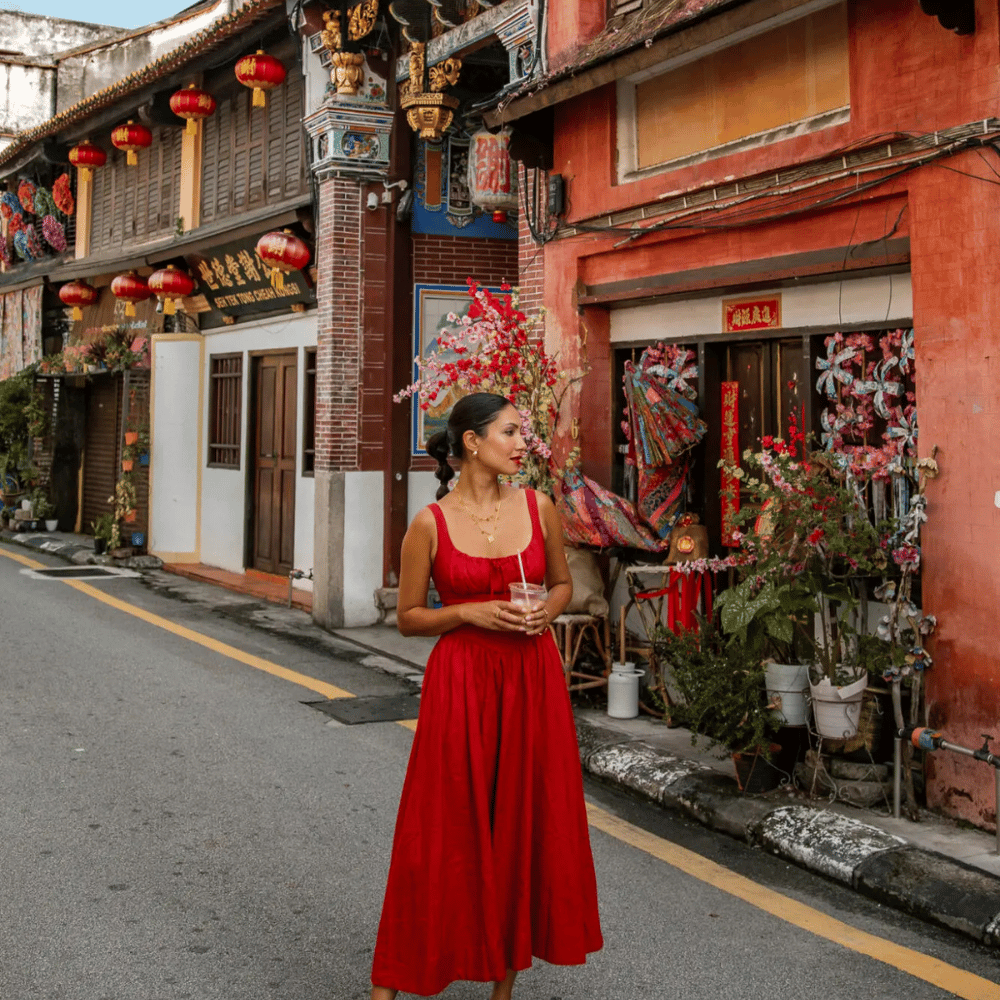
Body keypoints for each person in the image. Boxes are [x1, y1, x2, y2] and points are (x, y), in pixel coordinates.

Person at [370, 392, 603, 999]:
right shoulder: (429, 523)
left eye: (523, 432)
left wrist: (545, 613)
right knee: (439, 828)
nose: (523, 442)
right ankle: (393, 977)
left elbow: (561, 585)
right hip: (462, 684)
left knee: (523, 822)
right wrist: (468, 612)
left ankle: (504, 987)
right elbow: (408, 618)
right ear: (472, 442)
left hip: (531, 677)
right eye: (510, 431)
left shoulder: (539, 506)